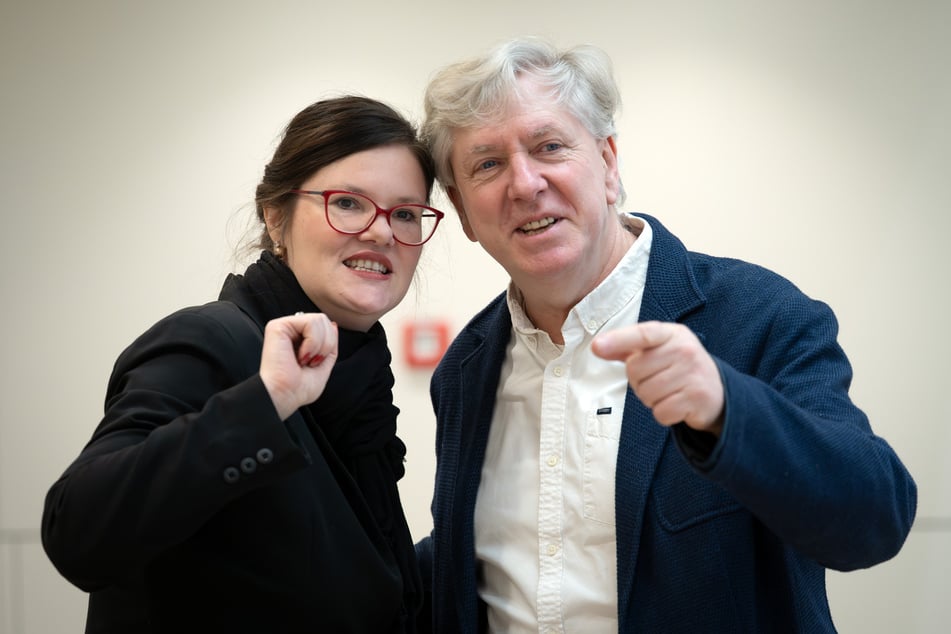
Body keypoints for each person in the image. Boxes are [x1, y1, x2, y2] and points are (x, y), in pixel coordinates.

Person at [414, 37, 917, 633]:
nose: (524, 184)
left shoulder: (758, 316)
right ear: (464, 214)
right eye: (487, 165)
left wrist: (728, 412)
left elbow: (875, 521)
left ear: (607, 163)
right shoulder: (466, 369)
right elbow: (470, 569)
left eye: (549, 146)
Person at [42, 95, 445, 633]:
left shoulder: (360, 387)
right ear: (275, 216)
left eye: (404, 213)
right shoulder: (213, 341)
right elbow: (78, 533)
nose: (379, 231)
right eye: (348, 202)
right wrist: (266, 401)